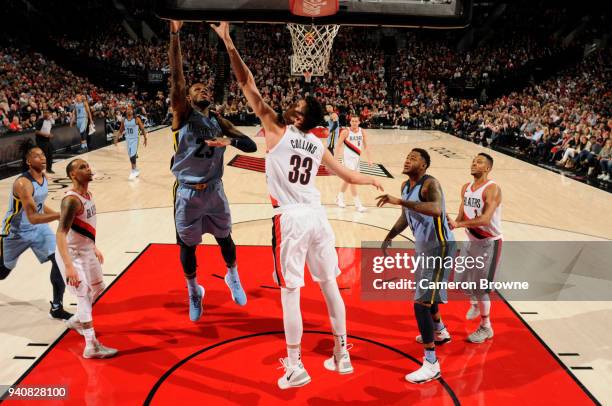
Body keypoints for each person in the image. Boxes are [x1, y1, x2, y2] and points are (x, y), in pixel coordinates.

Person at [213, 21, 383, 390]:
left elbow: (248, 84)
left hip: (289, 218)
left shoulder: (276, 128)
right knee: (329, 287)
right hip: (318, 217)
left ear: (300, 117)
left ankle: (294, 365)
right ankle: (342, 354)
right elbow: (347, 175)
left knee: (291, 293)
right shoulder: (318, 144)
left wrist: (228, 43)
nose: (292, 102)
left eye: (298, 104)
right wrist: (369, 180)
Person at [168, 20, 257, 322]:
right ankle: (194, 290)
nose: (203, 90)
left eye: (206, 88)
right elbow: (177, 79)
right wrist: (175, 34)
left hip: (215, 191)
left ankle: (233, 276)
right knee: (187, 246)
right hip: (188, 193)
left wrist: (228, 139)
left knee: (225, 239)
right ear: (188, 98)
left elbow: (250, 147)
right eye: (197, 89)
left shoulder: (219, 120)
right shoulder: (182, 113)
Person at [376, 148, 455, 384]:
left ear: (424, 165)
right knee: (426, 295)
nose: (408, 159)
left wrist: (400, 201)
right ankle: (440, 330)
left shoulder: (430, 184)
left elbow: (437, 209)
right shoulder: (405, 186)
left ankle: (431, 363)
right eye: (407, 156)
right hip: (424, 247)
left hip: (439, 246)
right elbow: (405, 216)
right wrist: (390, 235)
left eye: (414, 157)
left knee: (421, 302)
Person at [0, 140, 72, 320]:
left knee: (59, 260)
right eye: (37, 156)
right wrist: (60, 216)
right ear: (28, 161)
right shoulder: (23, 183)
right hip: (15, 232)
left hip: (39, 229)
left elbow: (39, 206)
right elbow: (32, 216)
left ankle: (57, 307)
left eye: (43, 155)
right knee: (2, 273)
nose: (43, 158)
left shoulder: (44, 177)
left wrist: (57, 214)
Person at [56, 158, 117, 359]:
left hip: (86, 251)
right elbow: (61, 234)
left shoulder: (88, 194)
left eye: (88, 165)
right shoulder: (71, 200)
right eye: (82, 167)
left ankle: (76, 321)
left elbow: (82, 227)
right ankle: (91, 345)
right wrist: (68, 267)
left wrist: (94, 246)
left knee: (99, 288)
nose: (88, 169)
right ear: (73, 175)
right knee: (82, 294)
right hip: (72, 256)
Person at [447, 153, 502, 343]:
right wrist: (450, 223)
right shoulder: (466, 188)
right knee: (460, 281)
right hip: (470, 241)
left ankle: (486, 327)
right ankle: (476, 304)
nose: (474, 163)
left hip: (488, 243)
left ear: (487, 168)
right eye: (473, 161)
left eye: (479, 162)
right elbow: (461, 214)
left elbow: (486, 219)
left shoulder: (492, 189)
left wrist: (459, 225)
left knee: (481, 289)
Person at [335, 116, 373, 212]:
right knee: (352, 180)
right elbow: (338, 145)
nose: (354, 122)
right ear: (350, 122)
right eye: (352, 121)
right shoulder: (345, 131)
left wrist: (369, 159)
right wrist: (335, 159)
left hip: (356, 159)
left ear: (359, 122)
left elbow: (366, 146)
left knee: (348, 180)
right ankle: (358, 204)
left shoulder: (362, 131)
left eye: (356, 121)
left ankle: (339, 197)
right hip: (347, 159)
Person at [114, 106, 148, 180]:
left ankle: (133, 171)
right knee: (131, 156)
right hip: (128, 140)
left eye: (130, 110)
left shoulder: (136, 119)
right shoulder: (124, 120)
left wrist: (145, 138)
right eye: (127, 110)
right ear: (126, 111)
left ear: (133, 111)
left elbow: (142, 129)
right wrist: (116, 138)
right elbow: (120, 130)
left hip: (135, 139)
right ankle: (136, 170)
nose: (129, 111)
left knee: (132, 156)